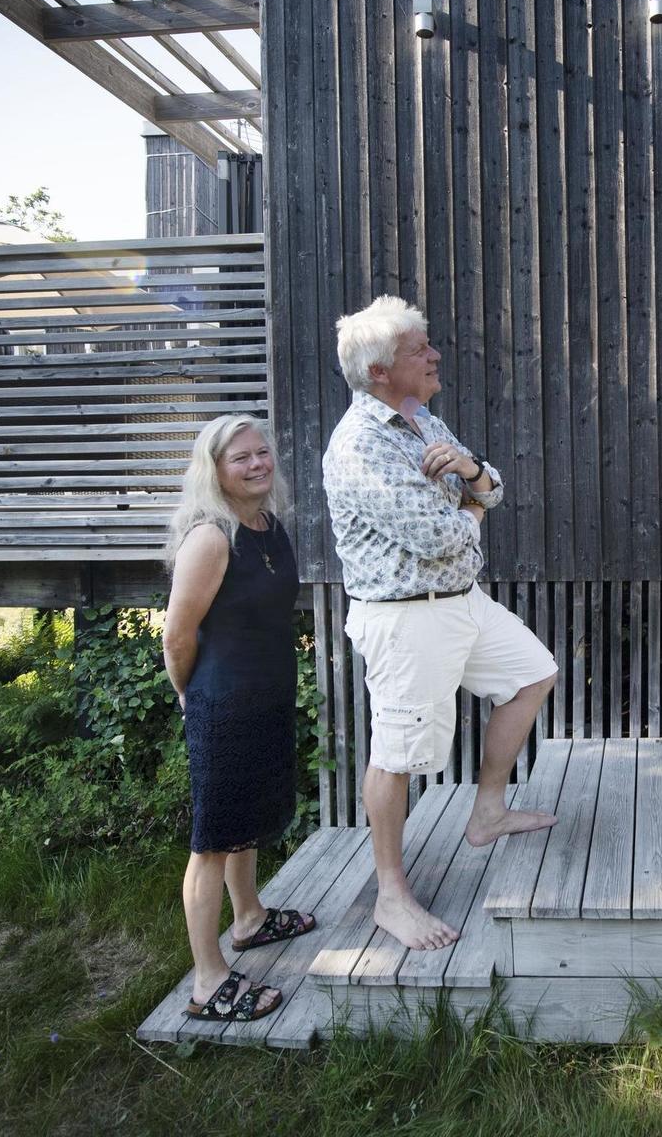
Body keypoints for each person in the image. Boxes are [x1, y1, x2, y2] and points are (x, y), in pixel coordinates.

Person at [322, 295, 559, 952]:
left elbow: (490, 487)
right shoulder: (361, 445)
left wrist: (470, 472)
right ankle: (390, 897)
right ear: (378, 372)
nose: (434, 356)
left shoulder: (420, 418)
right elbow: (441, 538)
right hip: (406, 620)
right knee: (397, 757)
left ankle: (486, 813)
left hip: (459, 601)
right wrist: (470, 503)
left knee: (533, 674)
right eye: (418, 350)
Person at [161, 414, 316, 1022]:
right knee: (213, 843)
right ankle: (207, 981)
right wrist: (190, 696)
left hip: (266, 697)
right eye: (240, 458)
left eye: (262, 453)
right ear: (215, 472)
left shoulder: (268, 526)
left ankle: (249, 919)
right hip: (223, 705)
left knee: (246, 821)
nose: (257, 464)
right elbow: (177, 637)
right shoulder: (212, 538)